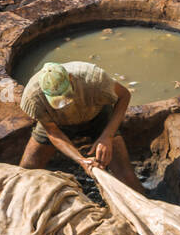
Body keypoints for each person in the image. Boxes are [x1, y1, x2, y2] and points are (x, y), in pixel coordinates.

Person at [18, 60, 142, 190]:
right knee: (26, 172)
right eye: (57, 100)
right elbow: (52, 131)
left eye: (65, 95)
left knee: (126, 177)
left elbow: (124, 95)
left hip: (98, 116)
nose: (64, 105)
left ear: (70, 78)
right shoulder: (33, 97)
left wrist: (107, 137)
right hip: (58, 123)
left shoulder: (93, 79)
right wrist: (81, 160)